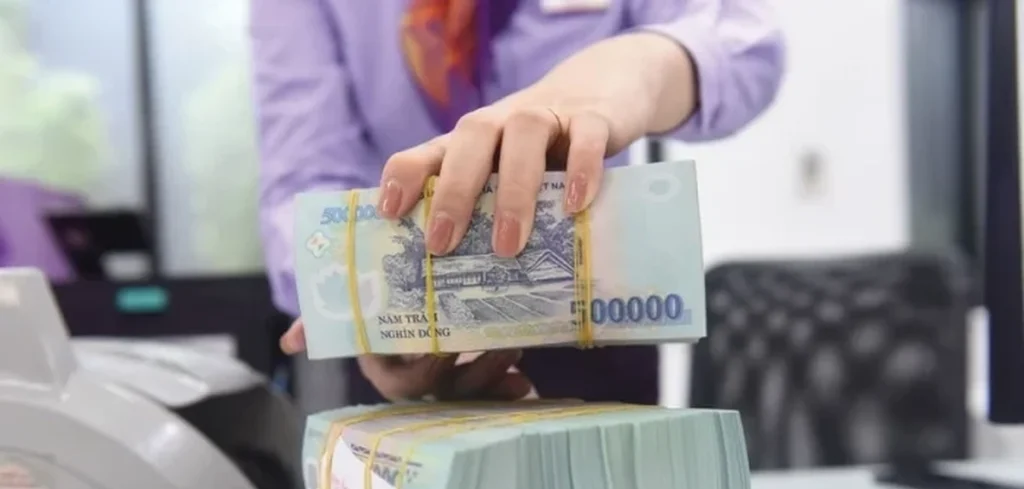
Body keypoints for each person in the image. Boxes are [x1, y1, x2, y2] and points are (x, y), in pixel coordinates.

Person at [250, 0, 785, 405]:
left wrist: (632, 71)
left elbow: (741, 40)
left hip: (590, 319)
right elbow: (305, 172)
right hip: (403, 327)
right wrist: (349, 293)